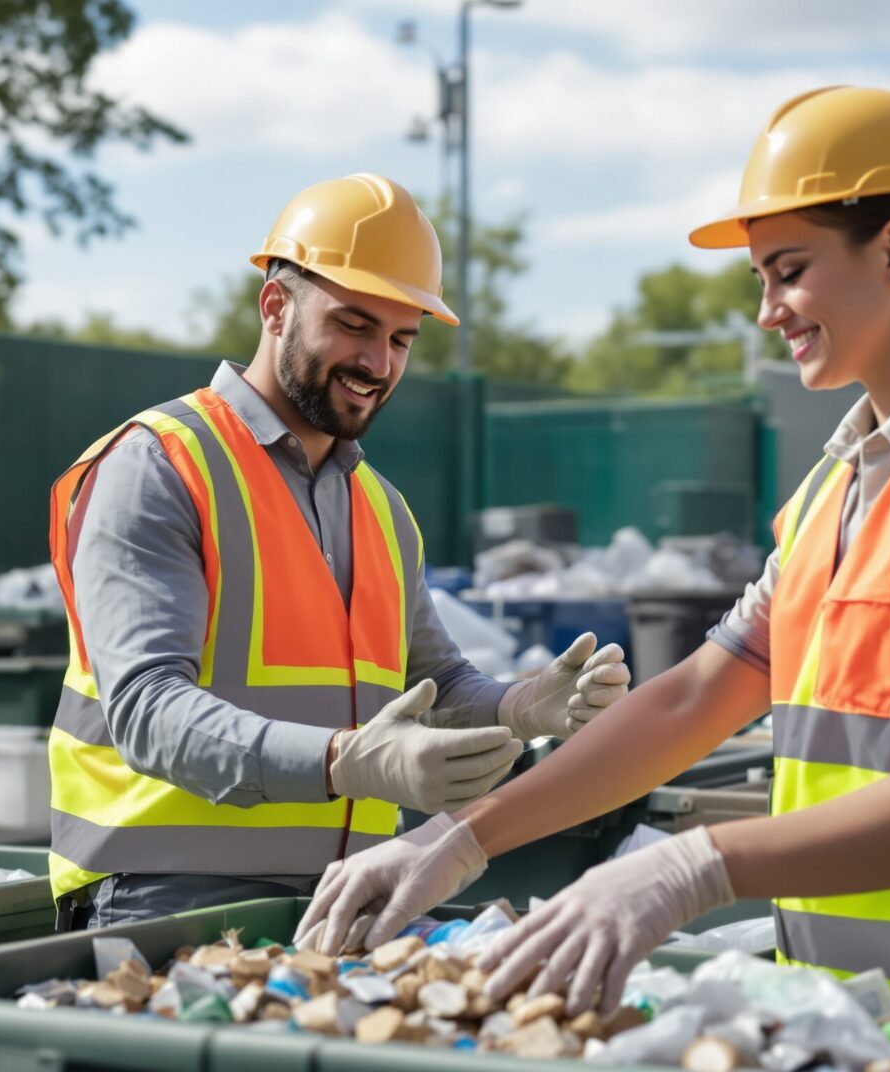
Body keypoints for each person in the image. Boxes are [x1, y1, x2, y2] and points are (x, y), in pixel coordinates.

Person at [296, 88, 890, 1018]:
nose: (767, 311)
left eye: (788, 271)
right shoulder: (840, 486)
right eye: (761, 277)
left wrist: (698, 865)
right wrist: (458, 839)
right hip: (875, 1026)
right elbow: (694, 697)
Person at [46, 173, 631, 929]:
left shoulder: (381, 507)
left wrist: (521, 706)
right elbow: (148, 710)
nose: (378, 363)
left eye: (401, 340)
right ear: (275, 307)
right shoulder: (159, 465)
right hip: (165, 900)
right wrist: (344, 762)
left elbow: (434, 683)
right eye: (354, 326)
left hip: (350, 899)